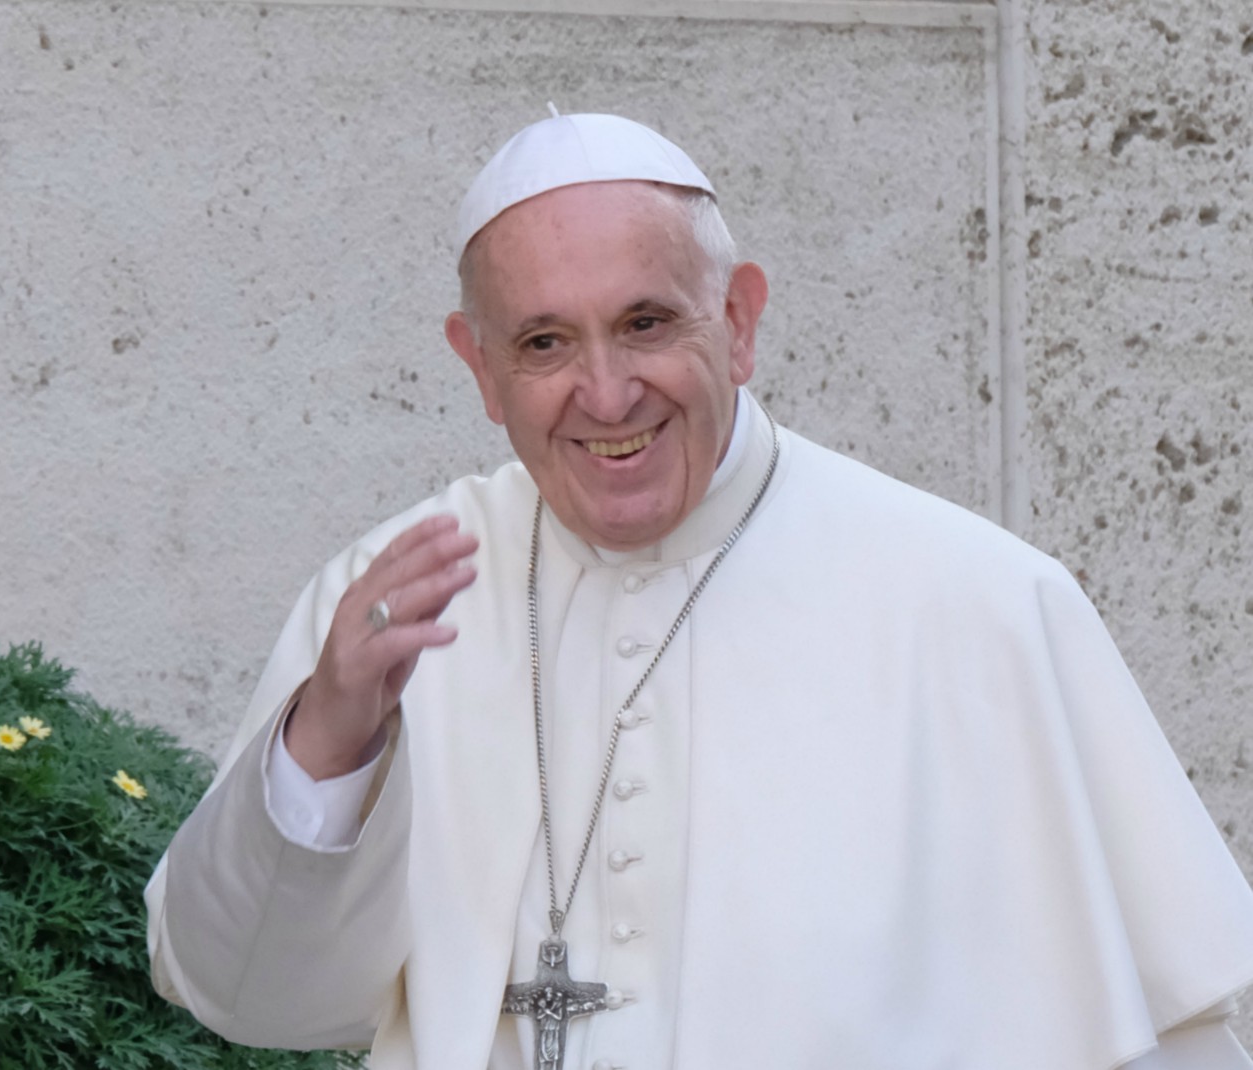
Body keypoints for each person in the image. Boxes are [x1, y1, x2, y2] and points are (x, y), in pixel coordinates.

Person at [144, 111, 1253, 1069]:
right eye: (542, 341)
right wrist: (330, 742)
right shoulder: (394, 598)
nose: (607, 391)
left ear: (738, 321)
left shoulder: (979, 606)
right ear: (478, 367)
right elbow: (251, 999)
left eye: (645, 322)